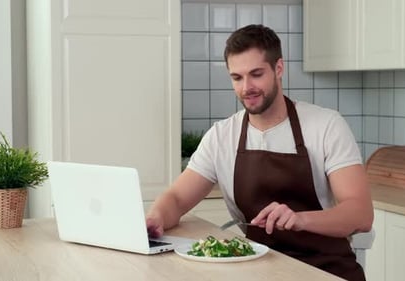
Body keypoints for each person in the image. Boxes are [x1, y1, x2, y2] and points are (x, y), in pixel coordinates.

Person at [146, 24, 373, 281]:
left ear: (279, 68)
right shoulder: (222, 136)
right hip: (259, 269)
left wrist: (299, 220)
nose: (246, 88)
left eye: (256, 74)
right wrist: (156, 218)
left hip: (326, 270)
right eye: (237, 78)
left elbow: (360, 213)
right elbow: (177, 197)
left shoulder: (326, 126)